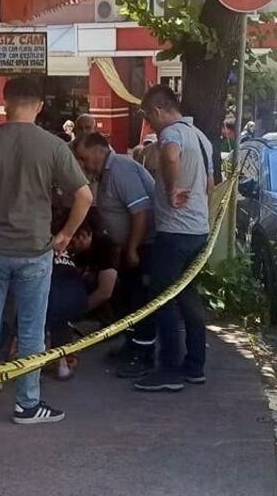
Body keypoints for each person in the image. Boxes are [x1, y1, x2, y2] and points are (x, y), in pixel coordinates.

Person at [0, 76, 93, 425]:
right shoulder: (53, 146)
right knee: (31, 329)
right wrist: (66, 235)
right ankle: (27, 404)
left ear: (6, 103)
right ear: (39, 105)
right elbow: (84, 196)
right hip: (35, 250)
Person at [136, 85, 213, 392]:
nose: (149, 124)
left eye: (148, 117)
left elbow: (169, 156)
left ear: (158, 110)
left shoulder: (171, 134)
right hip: (198, 230)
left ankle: (169, 369)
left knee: (162, 297)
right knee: (188, 296)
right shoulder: (202, 138)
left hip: (174, 231)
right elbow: (209, 183)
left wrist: (171, 189)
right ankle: (195, 366)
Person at [72, 132, 158, 371]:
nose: (83, 164)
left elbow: (140, 212)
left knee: (140, 301)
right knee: (127, 299)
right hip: (128, 246)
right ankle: (131, 345)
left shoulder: (121, 169)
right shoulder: (106, 174)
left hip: (144, 246)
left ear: (99, 151)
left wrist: (132, 248)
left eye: (84, 157)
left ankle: (143, 355)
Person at [46, 212, 118, 380]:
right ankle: (62, 359)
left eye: (73, 242)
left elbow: (105, 291)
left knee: (62, 306)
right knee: (60, 302)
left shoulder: (104, 246)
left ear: (85, 235)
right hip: (66, 291)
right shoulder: (63, 247)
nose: (69, 246)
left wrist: (76, 312)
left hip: (90, 295)